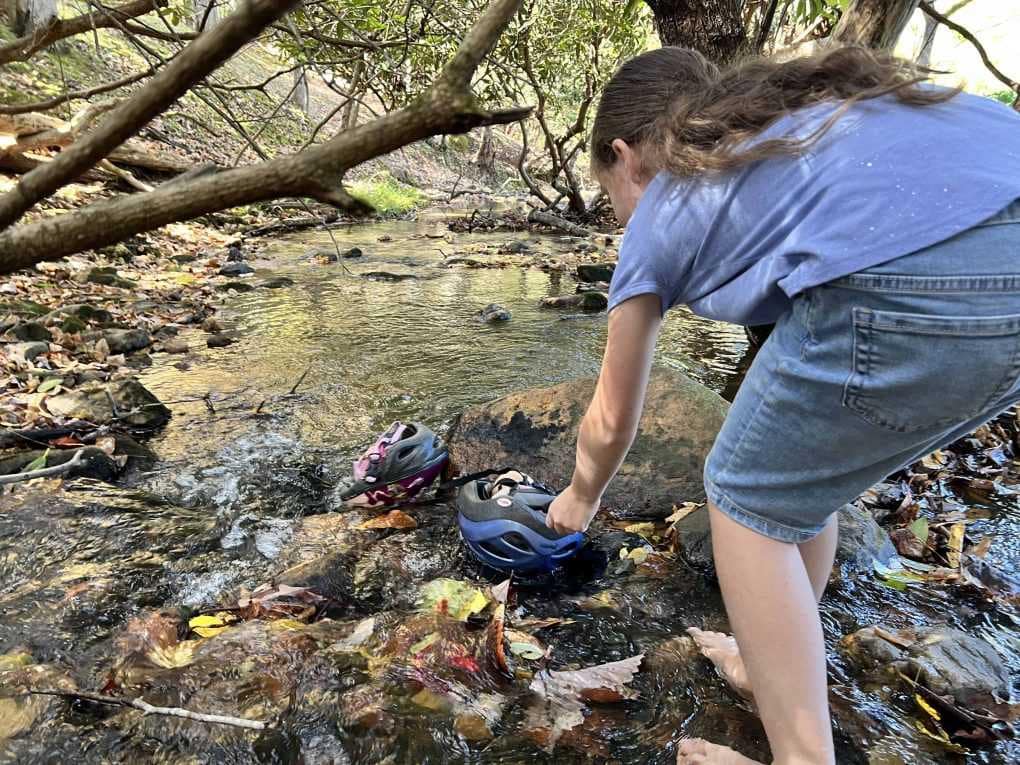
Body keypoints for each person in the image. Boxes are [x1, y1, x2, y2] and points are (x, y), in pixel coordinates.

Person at [544, 45, 1020, 765]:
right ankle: (766, 662)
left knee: (739, 493)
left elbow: (612, 418)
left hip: (923, 280)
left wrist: (580, 497)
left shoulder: (667, 200)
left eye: (612, 194)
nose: (620, 217)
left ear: (625, 155)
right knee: (796, 477)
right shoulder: (794, 125)